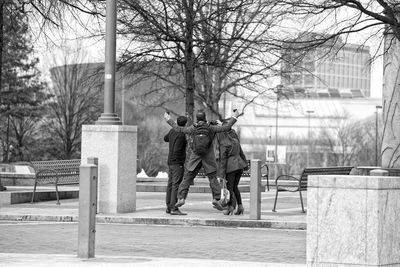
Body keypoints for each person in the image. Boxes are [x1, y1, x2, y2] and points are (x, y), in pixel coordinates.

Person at [163, 109, 240, 211]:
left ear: (197, 119)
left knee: (188, 177)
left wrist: (168, 119)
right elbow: (226, 127)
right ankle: (216, 198)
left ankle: (181, 198)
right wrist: (234, 116)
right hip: (208, 157)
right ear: (205, 118)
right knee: (212, 178)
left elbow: (178, 129)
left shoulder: (192, 128)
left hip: (196, 156)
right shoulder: (211, 128)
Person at [215, 121, 248, 215]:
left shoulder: (224, 143)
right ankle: (240, 206)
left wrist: (221, 175)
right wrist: (245, 164)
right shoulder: (235, 140)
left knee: (229, 188)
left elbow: (223, 160)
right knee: (235, 188)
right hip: (239, 166)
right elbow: (241, 152)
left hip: (231, 167)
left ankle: (230, 208)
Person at [164, 115, 188, 215]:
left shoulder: (172, 131)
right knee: (176, 185)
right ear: (185, 124)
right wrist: (180, 161)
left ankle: (169, 207)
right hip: (177, 163)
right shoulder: (181, 134)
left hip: (170, 161)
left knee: (170, 184)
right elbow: (177, 150)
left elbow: (165, 139)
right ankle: (174, 208)